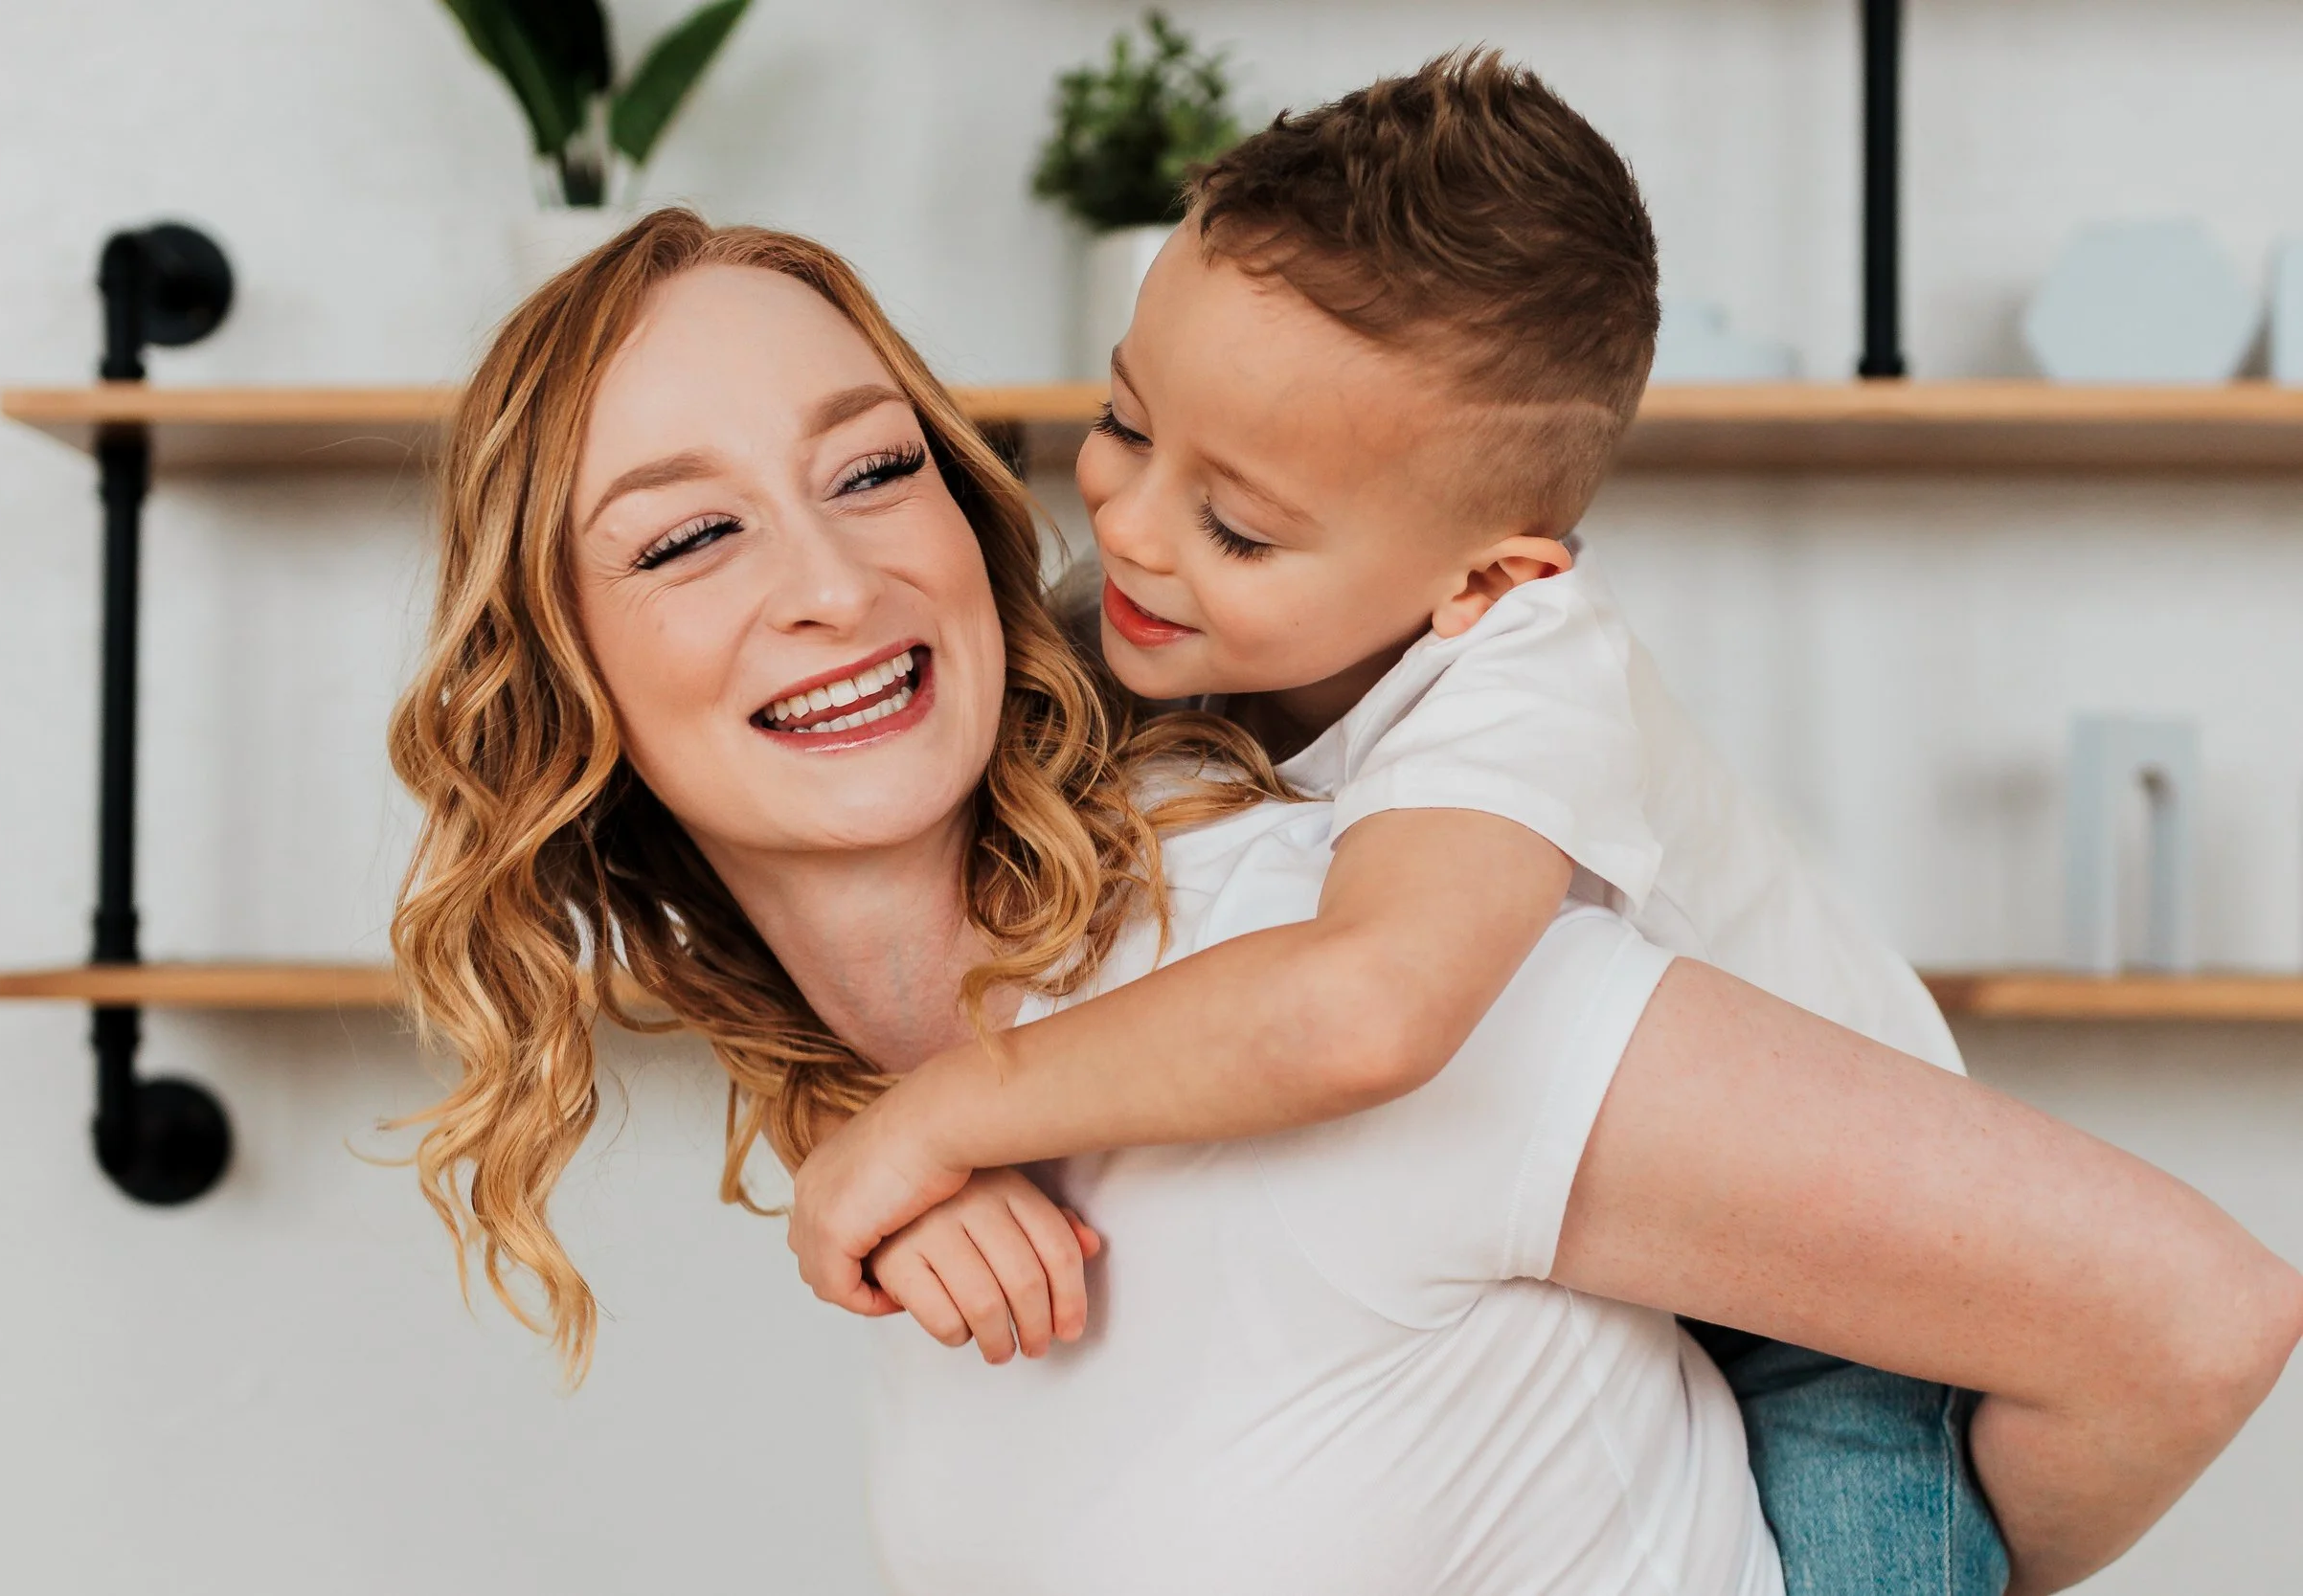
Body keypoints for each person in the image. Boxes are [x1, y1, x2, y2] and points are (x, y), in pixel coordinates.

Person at [388, 208, 2303, 1595]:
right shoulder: (914, 1146)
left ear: (971, 534)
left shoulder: (1333, 971)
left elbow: (2183, 1317)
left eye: (871, 468)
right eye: (686, 532)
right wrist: (907, 1127)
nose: (826, 579)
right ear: (560, 686)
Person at [790, 53, 1983, 1591]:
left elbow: (1368, 1004)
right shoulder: (1159, 619)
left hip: (1842, 1293)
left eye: (1240, 525)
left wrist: (950, 1114)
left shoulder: (1531, 669)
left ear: (1487, 578)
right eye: (1123, 422)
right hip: (1609, 1228)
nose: (1134, 529)